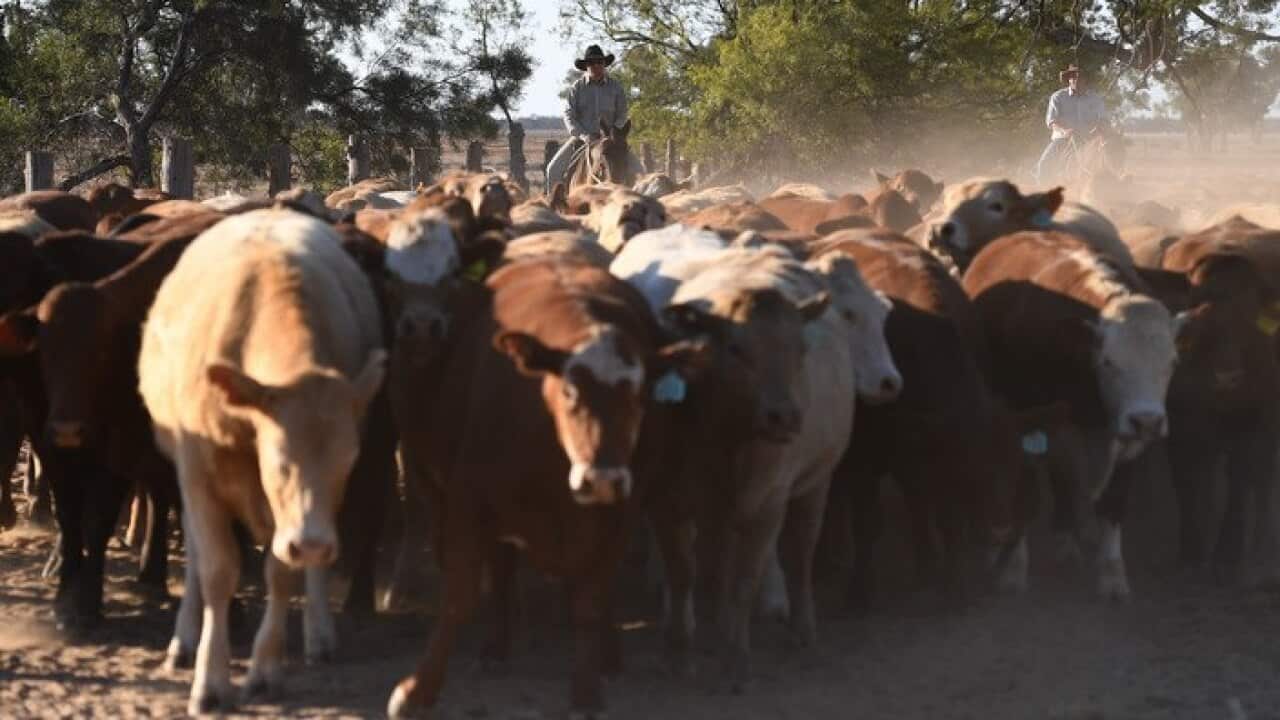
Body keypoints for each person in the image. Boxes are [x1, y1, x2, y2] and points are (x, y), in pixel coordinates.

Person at [544, 45, 642, 194]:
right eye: (591, 63)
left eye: (599, 62)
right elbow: (569, 114)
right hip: (583, 139)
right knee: (553, 170)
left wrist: (612, 132)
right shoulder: (577, 88)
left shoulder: (616, 87)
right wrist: (583, 135)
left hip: (612, 141)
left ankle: (641, 211)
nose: (596, 66)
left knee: (641, 171)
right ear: (586, 66)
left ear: (604, 64)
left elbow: (622, 113)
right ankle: (555, 211)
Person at [1035, 64, 1108, 183]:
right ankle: (1043, 193)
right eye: (1073, 77)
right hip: (1063, 140)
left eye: (1080, 77)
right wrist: (1064, 131)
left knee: (1109, 158)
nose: (1076, 80)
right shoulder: (1058, 97)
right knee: (1043, 166)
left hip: (1089, 139)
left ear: (1086, 80)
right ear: (1068, 79)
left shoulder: (1096, 99)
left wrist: (1097, 130)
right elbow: (1051, 121)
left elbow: (1103, 119)